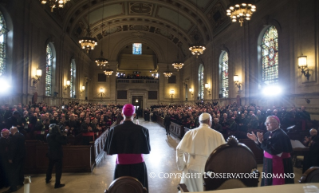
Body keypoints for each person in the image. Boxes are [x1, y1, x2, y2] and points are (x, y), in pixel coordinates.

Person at [104, 104, 151, 192]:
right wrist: (137, 127)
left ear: (122, 114)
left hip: (121, 165)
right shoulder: (142, 130)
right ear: (134, 115)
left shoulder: (114, 130)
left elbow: (109, 152)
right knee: (139, 188)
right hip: (138, 164)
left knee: (122, 188)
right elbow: (146, 150)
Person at [176, 113, 226, 192]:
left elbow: (179, 150)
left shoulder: (190, 133)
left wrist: (182, 166)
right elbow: (224, 154)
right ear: (209, 121)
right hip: (210, 171)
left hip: (191, 168)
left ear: (199, 122)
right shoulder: (218, 135)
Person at [247, 115, 294, 186]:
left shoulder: (281, 135)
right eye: (266, 123)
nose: (266, 125)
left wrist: (261, 142)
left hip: (279, 162)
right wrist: (256, 140)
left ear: (276, 123)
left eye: (268, 123)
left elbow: (274, 151)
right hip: (269, 161)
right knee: (268, 181)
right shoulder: (267, 133)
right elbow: (263, 147)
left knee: (278, 183)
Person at [45, 124, 67, 189]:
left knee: (50, 167)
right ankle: (57, 183)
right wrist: (65, 135)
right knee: (58, 169)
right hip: (57, 154)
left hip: (50, 153)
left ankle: (47, 179)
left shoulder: (48, 135)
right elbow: (64, 142)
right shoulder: (57, 136)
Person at [6, 126, 26, 193]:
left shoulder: (14, 137)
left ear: (12, 131)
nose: (10, 133)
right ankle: (21, 181)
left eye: (10, 131)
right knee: (21, 169)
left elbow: (13, 149)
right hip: (22, 155)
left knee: (14, 171)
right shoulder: (21, 135)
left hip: (16, 157)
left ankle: (13, 187)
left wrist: (10, 158)